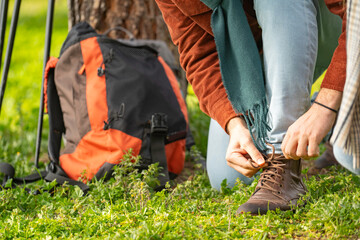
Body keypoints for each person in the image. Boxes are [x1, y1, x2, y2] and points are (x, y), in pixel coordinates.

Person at [155, 0, 346, 214]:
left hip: (327, 24)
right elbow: (198, 53)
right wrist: (234, 124)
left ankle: (283, 162)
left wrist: (325, 106)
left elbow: (354, 18)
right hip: (259, 59)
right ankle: (341, 111)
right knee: (228, 179)